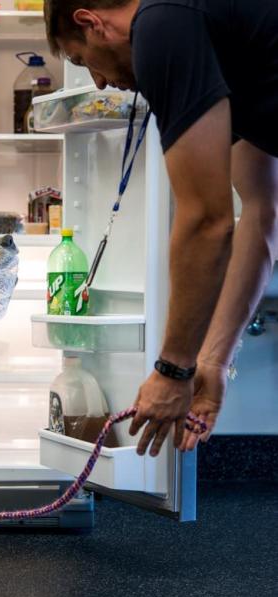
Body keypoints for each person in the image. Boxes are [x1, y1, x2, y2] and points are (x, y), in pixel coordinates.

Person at [44, 0, 278, 456]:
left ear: (90, 22)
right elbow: (260, 212)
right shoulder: (213, 41)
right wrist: (211, 360)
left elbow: (206, 222)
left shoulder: (161, 25)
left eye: (79, 59)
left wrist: (174, 370)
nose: (97, 81)